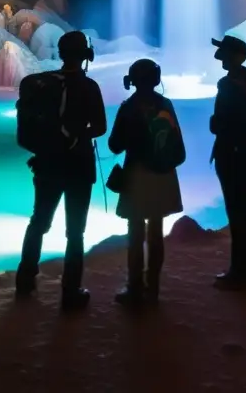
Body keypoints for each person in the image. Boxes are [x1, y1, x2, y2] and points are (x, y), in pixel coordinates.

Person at [16, 30, 107, 310]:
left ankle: (25, 280)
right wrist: (78, 135)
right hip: (78, 166)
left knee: (39, 221)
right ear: (86, 55)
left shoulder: (41, 84)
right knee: (75, 231)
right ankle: (71, 291)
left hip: (46, 164)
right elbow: (101, 128)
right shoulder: (89, 87)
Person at [108, 59, 185, 304]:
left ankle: (134, 288)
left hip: (137, 175)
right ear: (156, 79)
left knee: (135, 233)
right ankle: (153, 288)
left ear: (132, 81)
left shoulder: (128, 107)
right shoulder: (166, 104)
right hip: (164, 175)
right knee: (156, 231)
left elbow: (115, 145)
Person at [209, 34, 246, 289]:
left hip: (230, 153)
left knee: (235, 209)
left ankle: (240, 271)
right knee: (244, 209)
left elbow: (221, 122)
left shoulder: (228, 84)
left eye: (225, 52)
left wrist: (215, 124)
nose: (220, 56)